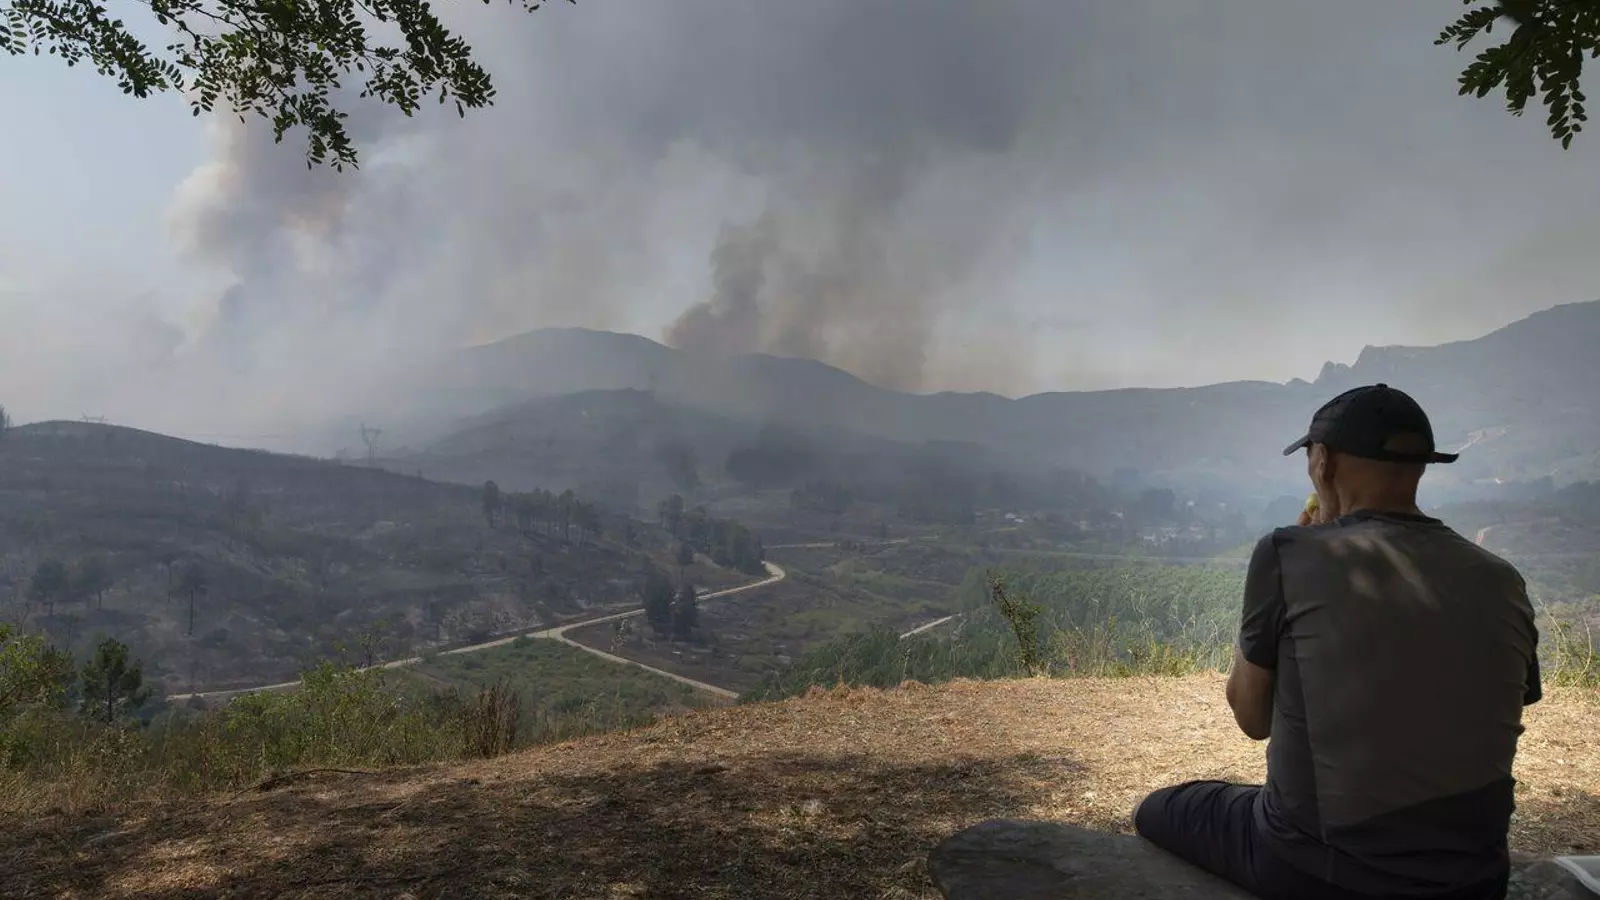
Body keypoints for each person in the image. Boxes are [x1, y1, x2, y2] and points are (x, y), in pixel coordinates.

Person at [1133, 384, 1542, 900]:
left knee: (1156, 809)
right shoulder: (1501, 577)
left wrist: (1280, 584)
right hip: (1475, 879)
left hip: (1319, 870)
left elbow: (1252, 720)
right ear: (1421, 467)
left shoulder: (1288, 553)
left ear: (1323, 462)